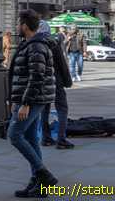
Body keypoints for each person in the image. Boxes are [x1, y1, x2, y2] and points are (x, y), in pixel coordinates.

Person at [7, 10, 59, 198]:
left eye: (18, 23)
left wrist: (26, 103)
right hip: (30, 98)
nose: (16, 26)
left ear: (24, 26)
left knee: (14, 134)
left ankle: (43, 174)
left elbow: (36, 76)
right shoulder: (29, 44)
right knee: (30, 138)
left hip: (33, 99)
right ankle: (37, 182)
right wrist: (15, 100)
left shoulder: (36, 46)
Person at [39, 20, 74, 150]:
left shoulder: (33, 44)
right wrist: (67, 81)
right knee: (62, 108)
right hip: (55, 80)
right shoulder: (53, 43)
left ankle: (46, 137)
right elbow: (61, 64)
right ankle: (61, 139)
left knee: (44, 109)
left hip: (41, 82)